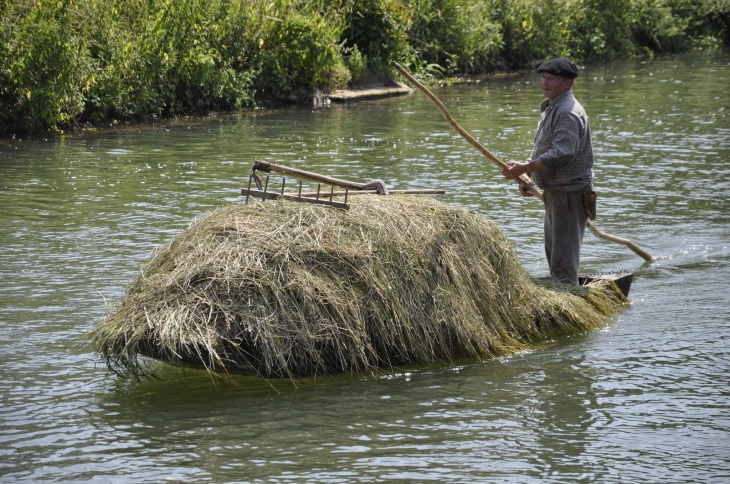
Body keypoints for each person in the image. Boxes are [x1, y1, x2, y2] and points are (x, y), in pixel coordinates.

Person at [501, 57, 595, 285]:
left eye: (551, 79)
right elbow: (545, 149)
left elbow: (562, 154)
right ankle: (563, 295)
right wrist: (528, 174)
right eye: (543, 78)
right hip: (554, 195)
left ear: (567, 83)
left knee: (563, 264)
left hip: (569, 195)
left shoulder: (567, 112)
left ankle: (568, 303)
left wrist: (527, 167)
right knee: (555, 256)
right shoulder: (552, 107)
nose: (545, 82)